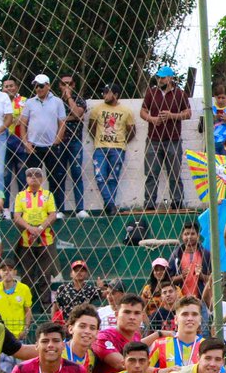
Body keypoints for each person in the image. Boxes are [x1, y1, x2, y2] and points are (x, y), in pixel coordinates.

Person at [140, 66, 192, 209]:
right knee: (151, 173)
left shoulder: (181, 94)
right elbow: (143, 111)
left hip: (173, 140)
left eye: (162, 77)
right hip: (153, 139)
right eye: (158, 77)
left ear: (170, 78)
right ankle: (149, 203)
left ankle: (176, 202)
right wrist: (152, 119)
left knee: (174, 173)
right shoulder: (151, 92)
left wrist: (171, 116)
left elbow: (188, 113)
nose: (159, 80)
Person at [86, 83, 134, 214]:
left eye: (107, 92)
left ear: (116, 95)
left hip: (118, 149)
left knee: (113, 178)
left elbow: (132, 130)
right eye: (104, 92)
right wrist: (99, 139)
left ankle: (110, 209)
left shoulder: (126, 111)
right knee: (100, 177)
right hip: (100, 148)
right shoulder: (97, 109)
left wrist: (122, 142)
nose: (104, 95)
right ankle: (111, 204)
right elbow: (91, 127)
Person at [11, 167, 57, 297]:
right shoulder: (20, 196)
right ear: (26, 179)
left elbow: (53, 214)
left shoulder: (48, 195)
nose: (33, 177)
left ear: (42, 179)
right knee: (27, 274)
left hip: (46, 239)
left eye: (37, 175)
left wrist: (40, 228)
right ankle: (26, 302)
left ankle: (46, 304)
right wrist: (29, 228)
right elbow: (17, 216)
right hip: (26, 239)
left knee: (45, 273)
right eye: (30, 175)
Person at [52, 73, 87, 216]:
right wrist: (70, 118)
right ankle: (60, 209)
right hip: (59, 142)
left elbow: (77, 113)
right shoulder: (53, 101)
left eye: (69, 83)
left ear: (73, 85)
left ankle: (80, 209)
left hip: (75, 141)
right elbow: (52, 119)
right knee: (58, 175)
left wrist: (69, 98)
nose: (67, 86)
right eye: (63, 83)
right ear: (59, 85)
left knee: (77, 173)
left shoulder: (79, 100)